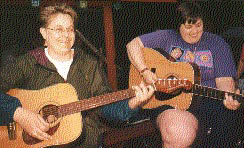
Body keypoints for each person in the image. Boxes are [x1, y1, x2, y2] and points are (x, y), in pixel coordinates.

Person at [0, 3, 155, 148]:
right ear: (44, 33)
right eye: (58, 29)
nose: (66, 35)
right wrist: (19, 114)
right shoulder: (28, 63)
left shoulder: (89, 65)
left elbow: (106, 109)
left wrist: (133, 103)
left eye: (70, 29)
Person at [103, 2, 243, 148]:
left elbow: (225, 83)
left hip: (207, 103)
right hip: (168, 102)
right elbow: (132, 45)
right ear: (179, 26)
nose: (194, 31)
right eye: (189, 27)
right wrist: (144, 71)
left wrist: (229, 98)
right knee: (178, 132)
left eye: (199, 25)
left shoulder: (217, 44)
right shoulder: (166, 37)